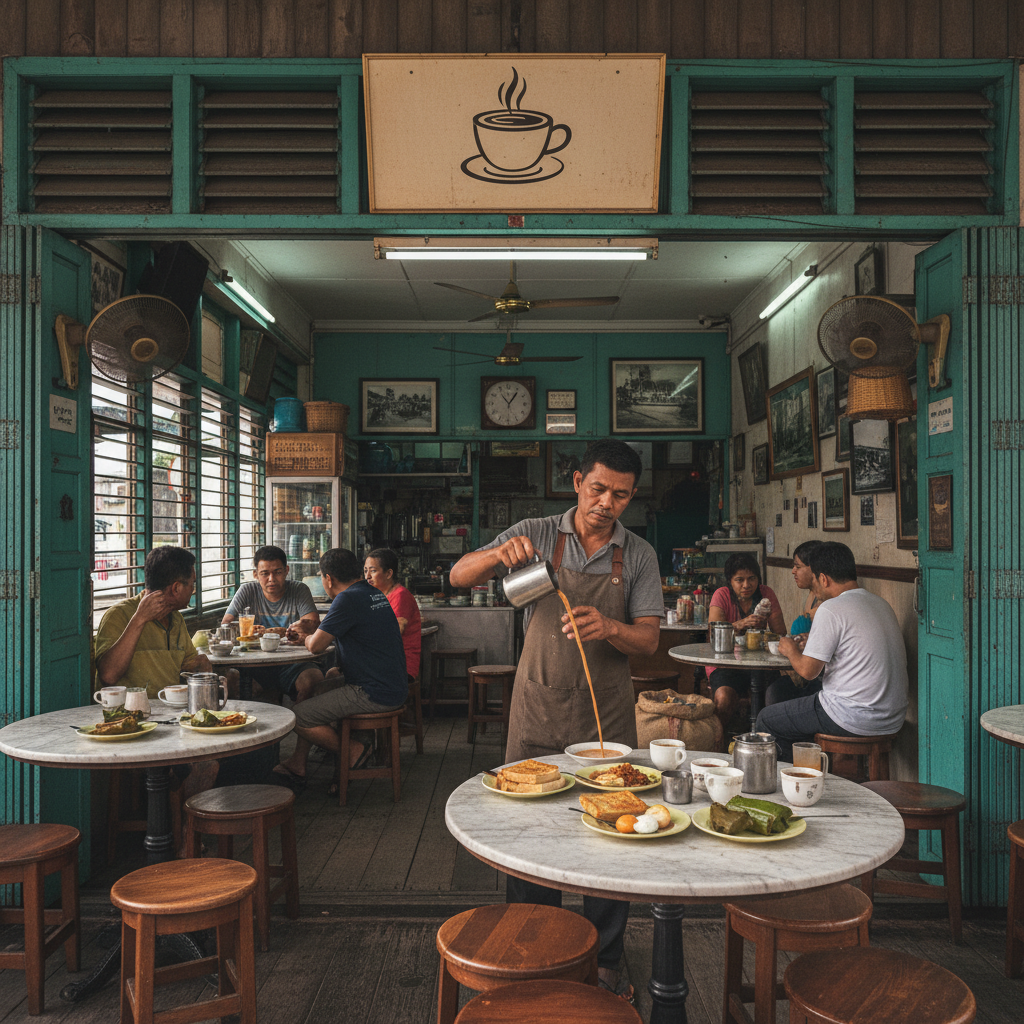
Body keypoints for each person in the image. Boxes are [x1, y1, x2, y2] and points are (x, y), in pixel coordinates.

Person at [449, 439, 663, 1004]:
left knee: (612, 835)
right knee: (529, 832)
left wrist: (611, 629)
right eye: (597, 489)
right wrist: (500, 555)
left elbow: (649, 637)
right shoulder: (538, 532)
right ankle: (538, 945)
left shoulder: (637, 554)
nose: (606, 503)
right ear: (576, 482)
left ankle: (607, 958)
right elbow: (457, 576)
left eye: (619, 494)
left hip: (605, 714)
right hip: (538, 705)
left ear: (631, 496)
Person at [755, 541, 909, 762]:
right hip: (892, 717)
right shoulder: (880, 604)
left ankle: (805, 780)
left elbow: (808, 672)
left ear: (823, 579)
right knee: (786, 696)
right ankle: (820, 767)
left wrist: (789, 649)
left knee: (767, 719)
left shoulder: (831, 608)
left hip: (852, 717)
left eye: (816, 580)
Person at [273, 548, 408, 789]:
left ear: (328, 579)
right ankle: (298, 763)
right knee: (316, 689)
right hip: (392, 685)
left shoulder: (346, 599)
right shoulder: (372, 593)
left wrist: (305, 636)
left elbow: (315, 647)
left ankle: (353, 750)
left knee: (297, 716)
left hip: (372, 692)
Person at [95, 546, 218, 803]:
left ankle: (179, 828)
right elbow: (108, 675)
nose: (194, 590)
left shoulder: (177, 620)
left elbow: (188, 665)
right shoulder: (119, 616)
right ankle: (185, 837)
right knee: (206, 764)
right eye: (191, 584)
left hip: (172, 722)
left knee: (217, 750)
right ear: (176, 588)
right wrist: (139, 620)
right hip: (131, 726)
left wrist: (201, 666)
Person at [221, 545, 322, 702]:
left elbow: (313, 622)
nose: (271, 579)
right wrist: (249, 632)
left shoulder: (299, 589)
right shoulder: (247, 590)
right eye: (265, 574)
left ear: (286, 570)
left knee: (313, 679)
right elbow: (226, 625)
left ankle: (302, 724)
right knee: (230, 678)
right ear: (255, 574)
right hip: (253, 665)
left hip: (294, 663)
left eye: (278, 572)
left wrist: (300, 627)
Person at [706, 553, 788, 730]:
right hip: (725, 664)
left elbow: (780, 632)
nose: (746, 585)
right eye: (739, 580)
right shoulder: (722, 595)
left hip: (761, 663)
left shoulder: (766, 594)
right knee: (724, 699)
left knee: (777, 697)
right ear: (730, 581)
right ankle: (717, 741)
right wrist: (740, 624)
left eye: (752, 578)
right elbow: (713, 633)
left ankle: (767, 740)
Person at [364, 547, 422, 688]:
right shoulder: (377, 597)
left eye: (373, 571)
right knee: (334, 674)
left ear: (389, 573)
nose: (367, 577)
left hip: (400, 666)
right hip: (382, 662)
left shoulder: (400, 595)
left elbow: (394, 633)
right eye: (365, 571)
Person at [789, 540, 823, 640]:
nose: (793, 571)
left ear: (814, 568)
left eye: (798, 567)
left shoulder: (830, 600)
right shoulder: (812, 595)